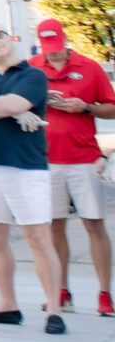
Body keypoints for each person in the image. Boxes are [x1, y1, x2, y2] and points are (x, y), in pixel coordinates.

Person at [0, 21, 66, 335]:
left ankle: (54, 310)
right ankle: (7, 305)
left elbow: (15, 103)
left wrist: (8, 107)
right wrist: (7, 110)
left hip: (27, 166)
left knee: (39, 238)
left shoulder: (33, 75)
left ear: (10, 38)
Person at [30, 18, 115, 318]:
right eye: (47, 47)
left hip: (84, 158)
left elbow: (112, 107)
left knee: (94, 224)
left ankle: (104, 294)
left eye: (56, 46)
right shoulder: (31, 69)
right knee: (55, 225)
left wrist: (85, 107)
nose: (53, 53)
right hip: (45, 160)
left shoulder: (88, 67)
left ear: (65, 40)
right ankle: (61, 291)